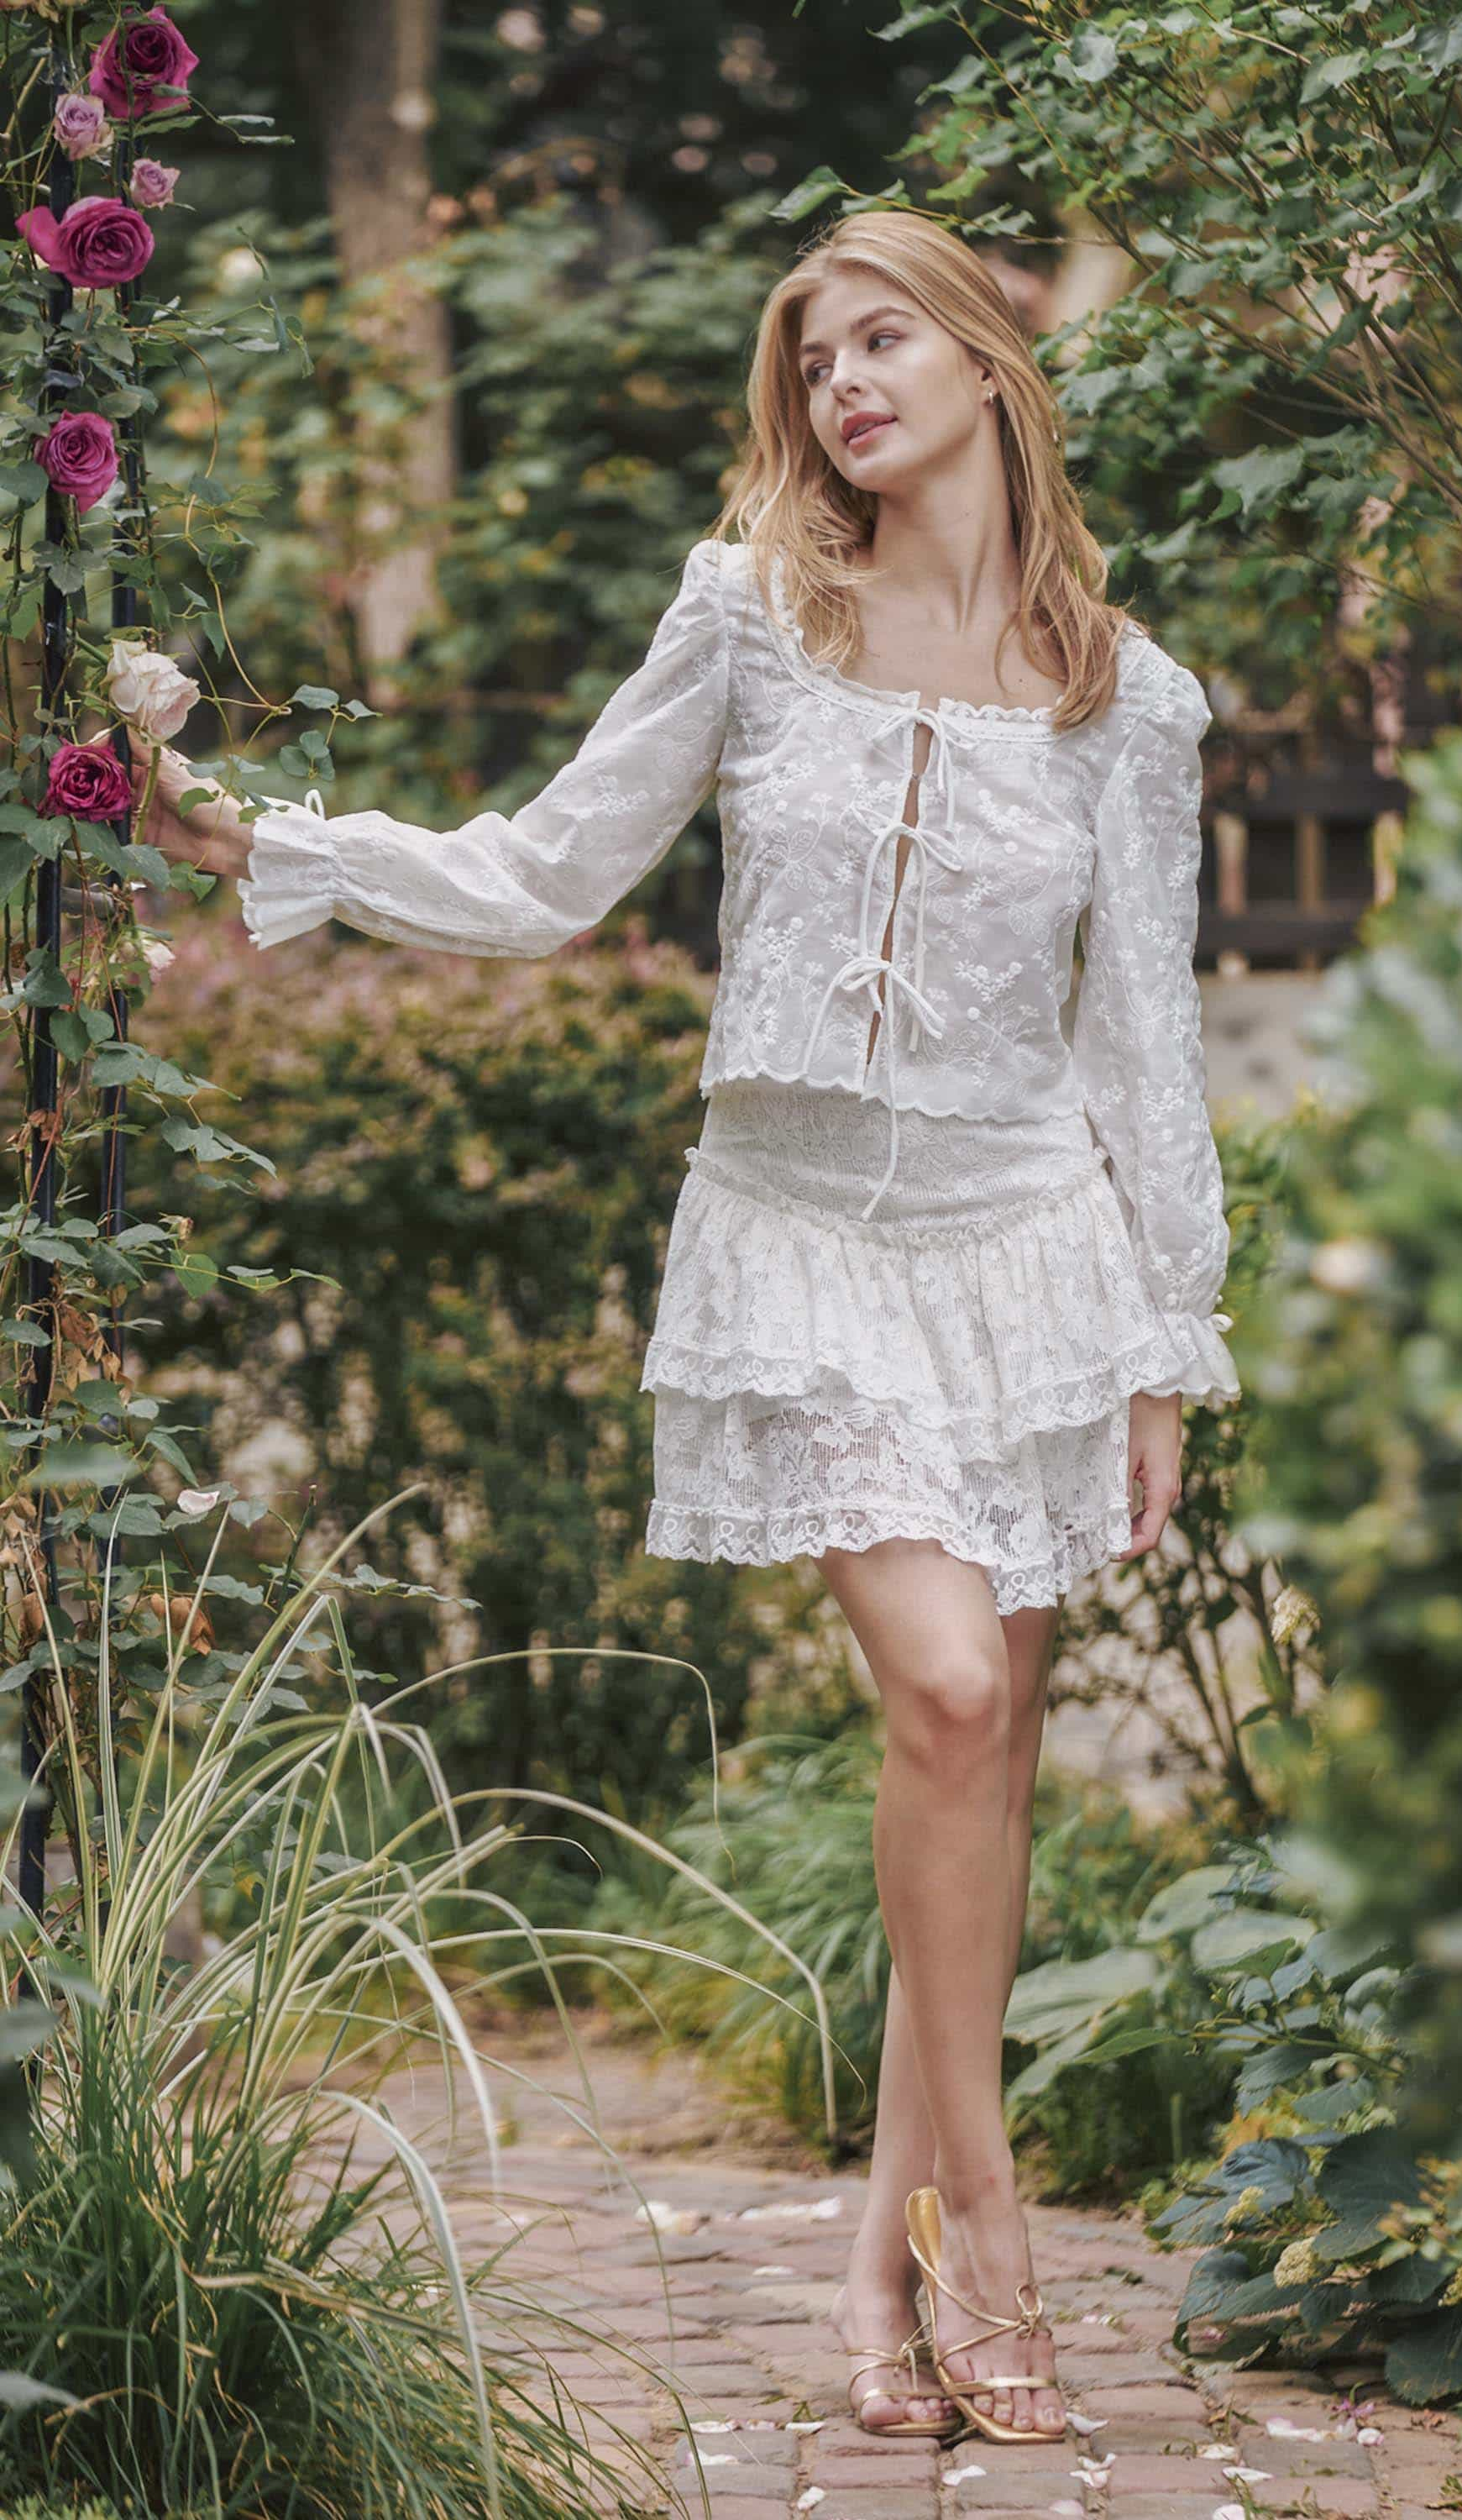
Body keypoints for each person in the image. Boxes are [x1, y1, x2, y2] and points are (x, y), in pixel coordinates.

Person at [127, 207, 1239, 2447]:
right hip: (803, 1237)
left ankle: (878, 2269)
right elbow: (552, 870)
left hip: (1040, 1256)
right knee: (942, 1692)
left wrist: (1167, 1345)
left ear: (989, 358)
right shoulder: (754, 617)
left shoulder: (1135, 698)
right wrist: (277, 835)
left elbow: (1146, 1051)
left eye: (884, 335)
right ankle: (989, 2225)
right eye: (812, 354)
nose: (844, 379)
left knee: (986, 1755)